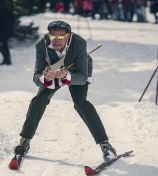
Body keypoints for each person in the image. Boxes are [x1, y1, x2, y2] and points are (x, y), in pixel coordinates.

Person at [13, 20, 117, 162]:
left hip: (76, 72)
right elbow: (36, 77)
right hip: (53, 72)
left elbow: (81, 78)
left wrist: (67, 76)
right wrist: (44, 77)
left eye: (60, 37)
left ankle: (105, 145)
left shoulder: (79, 43)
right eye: (52, 36)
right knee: (39, 99)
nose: (56, 40)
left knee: (81, 103)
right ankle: (24, 141)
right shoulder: (41, 45)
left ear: (68, 36)